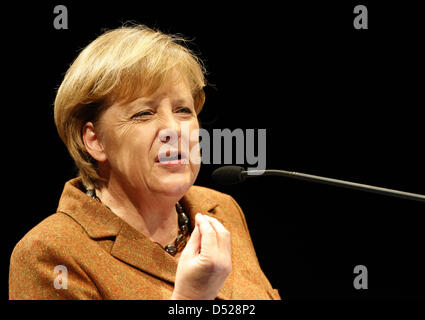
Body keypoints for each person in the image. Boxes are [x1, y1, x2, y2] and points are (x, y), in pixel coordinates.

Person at [9, 24, 280, 300]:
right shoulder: (50, 253)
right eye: (143, 113)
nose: (173, 128)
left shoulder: (222, 211)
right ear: (95, 140)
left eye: (183, 110)